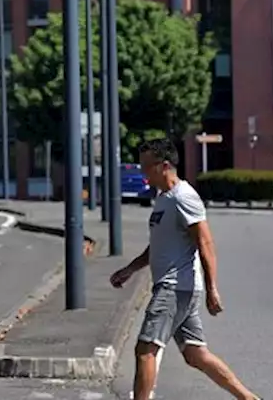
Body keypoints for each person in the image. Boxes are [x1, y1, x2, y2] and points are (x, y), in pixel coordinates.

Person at [109, 137, 260, 400]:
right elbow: (157, 247)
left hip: (174, 287)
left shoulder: (183, 197)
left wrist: (213, 289)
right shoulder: (164, 199)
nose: (143, 172)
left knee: (145, 349)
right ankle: (248, 398)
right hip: (178, 288)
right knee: (195, 354)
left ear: (164, 165)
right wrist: (130, 269)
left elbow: (205, 242)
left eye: (147, 166)